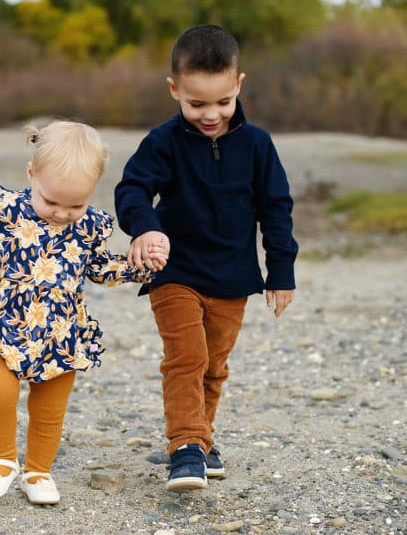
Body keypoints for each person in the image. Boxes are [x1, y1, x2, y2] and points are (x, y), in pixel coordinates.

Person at [0, 120, 168, 505]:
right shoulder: (7, 209)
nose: (61, 213)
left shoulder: (90, 226)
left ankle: (39, 471)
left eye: (75, 204)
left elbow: (98, 268)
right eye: (51, 202)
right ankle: (1, 460)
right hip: (4, 324)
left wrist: (137, 267)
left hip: (61, 332)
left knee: (49, 408)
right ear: (31, 175)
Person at [114, 25, 299, 492]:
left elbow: (275, 209)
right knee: (187, 358)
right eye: (196, 104)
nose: (210, 114)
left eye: (222, 102)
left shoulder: (258, 146)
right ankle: (187, 447)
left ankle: (202, 439)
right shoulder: (164, 142)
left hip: (234, 279)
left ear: (238, 85)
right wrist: (145, 227)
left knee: (214, 366)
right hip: (175, 273)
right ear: (175, 89)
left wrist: (280, 271)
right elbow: (132, 188)